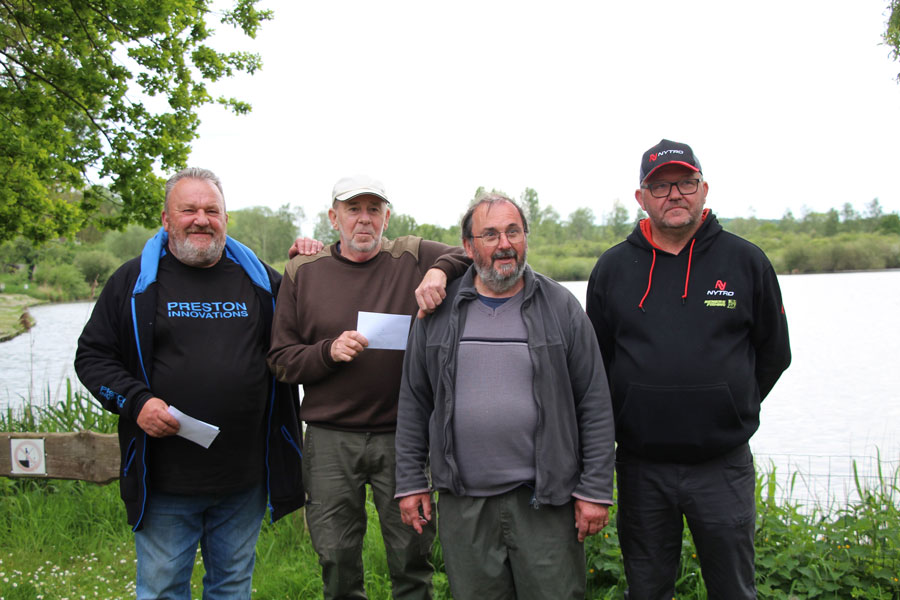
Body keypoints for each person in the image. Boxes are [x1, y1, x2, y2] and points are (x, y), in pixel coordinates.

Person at [74, 167, 304, 599]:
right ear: (166, 219)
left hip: (245, 478)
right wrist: (136, 402)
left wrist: (312, 262)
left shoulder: (263, 282)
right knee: (162, 589)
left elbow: (310, 327)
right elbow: (92, 357)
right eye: (189, 210)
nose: (201, 219)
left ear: (226, 219)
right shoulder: (133, 282)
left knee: (232, 587)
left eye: (211, 210)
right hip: (166, 480)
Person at [586, 139, 792, 599]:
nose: (674, 194)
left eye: (685, 182)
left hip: (722, 466)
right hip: (641, 467)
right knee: (646, 590)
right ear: (641, 198)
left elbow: (774, 354)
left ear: (704, 189)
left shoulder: (746, 261)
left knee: (734, 590)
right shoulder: (612, 269)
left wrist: (729, 404)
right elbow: (596, 363)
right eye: (660, 186)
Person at [395, 193, 616, 600]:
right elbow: (414, 403)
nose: (504, 244)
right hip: (464, 504)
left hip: (545, 503)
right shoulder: (437, 312)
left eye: (513, 232)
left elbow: (595, 403)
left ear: (526, 237)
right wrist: (410, 482)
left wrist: (595, 489)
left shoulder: (561, 307)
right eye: (491, 234)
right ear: (468, 246)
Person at [267, 174, 470, 600]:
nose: (364, 219)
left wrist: (438, 271)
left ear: (386, 218)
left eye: (373, 210)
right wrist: (327, 352)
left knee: (413, 553)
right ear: (333, 217)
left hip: (403, 437)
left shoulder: (410, 255)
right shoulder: (303, 270)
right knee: (336, 556)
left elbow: (468, 253)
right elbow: (281, 359)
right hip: (330, 438)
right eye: (353, 210)